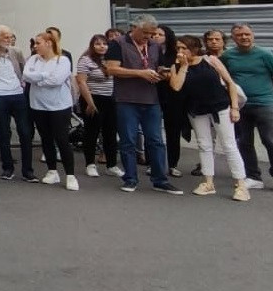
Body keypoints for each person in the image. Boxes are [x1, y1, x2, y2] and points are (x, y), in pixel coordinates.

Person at [104, 14, 181, 194]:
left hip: (151, 99)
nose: (149, 37)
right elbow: (111, 69)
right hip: (126, 99)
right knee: (128, 141)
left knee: (156, 140)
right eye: (145, 33)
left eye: (152, 33)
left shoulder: (155, 46)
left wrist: (162, 73)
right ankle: (130, 178)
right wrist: (140, 73)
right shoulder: (118, 43)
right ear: (134, 27)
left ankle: (160, 179)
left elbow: (159, 66)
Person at [167, 35, 249, 201]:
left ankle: (241, 185)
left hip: (220, 107)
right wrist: (183, 66)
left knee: (229, 145)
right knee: (204, 145)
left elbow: (230, 83)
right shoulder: (176, 66)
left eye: (184, 48)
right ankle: (208, 182)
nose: (181, 51)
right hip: (197, 111)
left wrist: (234, 108)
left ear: (195, 48)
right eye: (178, 48)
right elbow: (176, 86)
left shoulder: (210, 60)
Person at [222, 23, 273, 193]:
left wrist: (266, 90)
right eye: (239, 35)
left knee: (270, 141)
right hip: (240, 105)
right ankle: (253, 176)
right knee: (245, 142)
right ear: (233, 38)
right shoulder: (228, 56)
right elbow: (223, 76)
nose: (244, 37)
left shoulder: (265, 54)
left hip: (265, 104)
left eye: (247, 34)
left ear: (252, 35)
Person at [24, 31, 78, 191]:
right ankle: (52, 171)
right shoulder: (33, 59)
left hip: (59, 106)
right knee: (46, 139)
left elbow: (57, 80)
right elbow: (26, 76)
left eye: (38, 43)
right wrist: (45, 75)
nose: (35, 46)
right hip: (38, 105)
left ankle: (70, 175)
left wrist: (38, 79)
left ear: (49, 43)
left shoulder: (62, 60)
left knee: (62, 139)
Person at [0, 25, 34, 182]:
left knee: (25, 132)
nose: (8, 40)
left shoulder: (16, 52)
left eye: (10, 37)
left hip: (17, 94)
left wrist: (22, 85)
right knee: (3, 132)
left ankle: (28, 170)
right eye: (5, 37)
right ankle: (7, 168)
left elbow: (23, 69)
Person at [76, 34, 120, 178]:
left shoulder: (111, 60)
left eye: (104, 44)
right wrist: (90, 103)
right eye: (98, 44)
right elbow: (82, 82)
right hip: (92, 99)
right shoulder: (85, 60)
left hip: (110, 99)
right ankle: (90, 164)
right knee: (91, 132)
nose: (102, 46)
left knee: (111, 133)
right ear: (92, 45)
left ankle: (111, 165)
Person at [153, 26, 189, 178]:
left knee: (173, 131)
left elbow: (182, 70)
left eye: (160, 34)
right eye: (154, 34)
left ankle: (173, 164)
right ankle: (153, 163)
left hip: (173, 95)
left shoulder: (176, 53)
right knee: (153, 132)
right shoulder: (147, 50)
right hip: (153, 93)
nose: (156, 36)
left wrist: (167, 74)